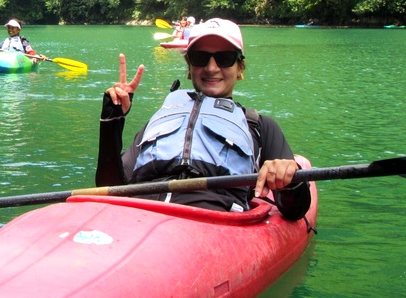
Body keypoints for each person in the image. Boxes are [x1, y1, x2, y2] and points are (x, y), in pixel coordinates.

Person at [96, 17, 310, 219]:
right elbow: (111, 189)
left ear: (240, 68)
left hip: (213, 223)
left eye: (224, 58)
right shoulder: (161, 120)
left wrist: (289, 180)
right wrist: (112, 120)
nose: (211, 68)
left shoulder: (259, 127)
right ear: (189, 66)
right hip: (142, 215)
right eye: (200, 58)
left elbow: (295, 211)